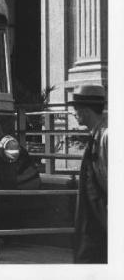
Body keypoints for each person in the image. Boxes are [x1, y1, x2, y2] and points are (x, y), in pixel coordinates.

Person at [69, 85, 108, 263]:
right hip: (93, 219)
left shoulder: (106, 137)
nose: (74, 113)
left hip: (102, 220)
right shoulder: (97, 134)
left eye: (76, 108)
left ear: (85, 110)